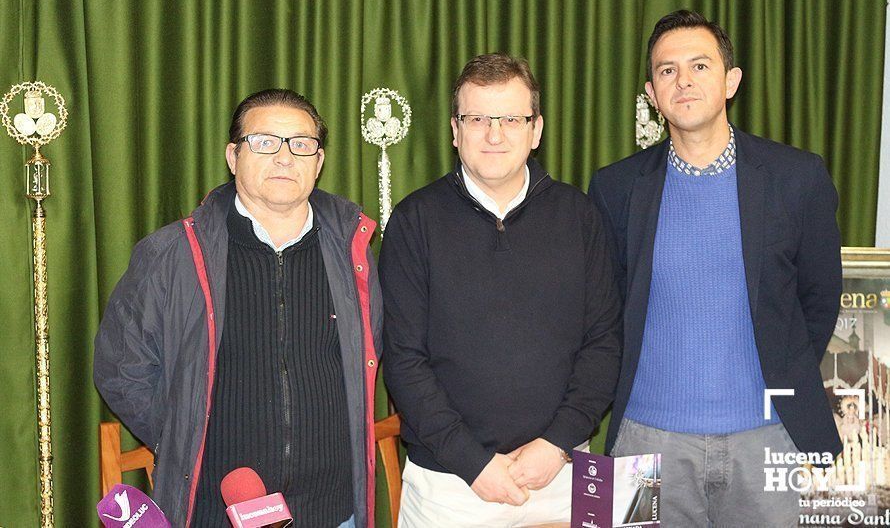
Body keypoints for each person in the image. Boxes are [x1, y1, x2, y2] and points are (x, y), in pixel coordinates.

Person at [588, 10, 842, 527]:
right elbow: (605, 309)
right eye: (667, 70)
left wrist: (776, 376)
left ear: (731, 81)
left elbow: (819, 301)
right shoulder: (615, 189)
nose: (683, 80)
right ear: (651, 93)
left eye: (700, 66)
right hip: (643, 444)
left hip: (771, 441)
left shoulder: (797, 178)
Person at [94, 89, 382, 528]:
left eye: (301, 144)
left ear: (318, 162)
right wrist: (185, 438)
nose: (285, 157)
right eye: (265, 141)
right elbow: (121, 368)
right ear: (233, 156)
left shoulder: (352, 253)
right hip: (215, 511)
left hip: (333, 511)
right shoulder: (173, 254)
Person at [380, 53, 622, 527]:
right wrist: (474, 464)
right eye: (477, 119)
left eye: (511, 118)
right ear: (455, 130)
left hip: (563, 475)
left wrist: (556, 444)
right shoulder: (414, 221)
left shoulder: (580, 216)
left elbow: (604, 343)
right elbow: (405, 361)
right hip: (448, 487)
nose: (495, 134)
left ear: (536, 130)